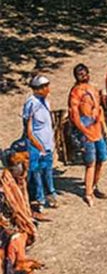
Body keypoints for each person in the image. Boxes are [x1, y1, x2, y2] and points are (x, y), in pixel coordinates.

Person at [68, 64, 107, 205]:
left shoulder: (92, 89)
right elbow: (74, 116)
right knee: (90, 163)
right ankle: (88, 193)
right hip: (86, 129)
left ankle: (94, 185)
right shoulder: (75, 93)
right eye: (81, 74)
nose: (84, 76)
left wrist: (104, 128)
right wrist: (84, 131)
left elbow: (99, 109)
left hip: (97, 128)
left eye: (85, 73)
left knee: (101, 159)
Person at [20, 77, 56, 214]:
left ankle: (51, 194)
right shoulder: (31, 103)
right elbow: (28, 129)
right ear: (39, 89)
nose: (48, 89)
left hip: (47, 143)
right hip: (36, 145)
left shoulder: (45, 102)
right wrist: (37, 145)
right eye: (45, 86)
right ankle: (39, 199)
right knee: (36, 173)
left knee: (47, 170)